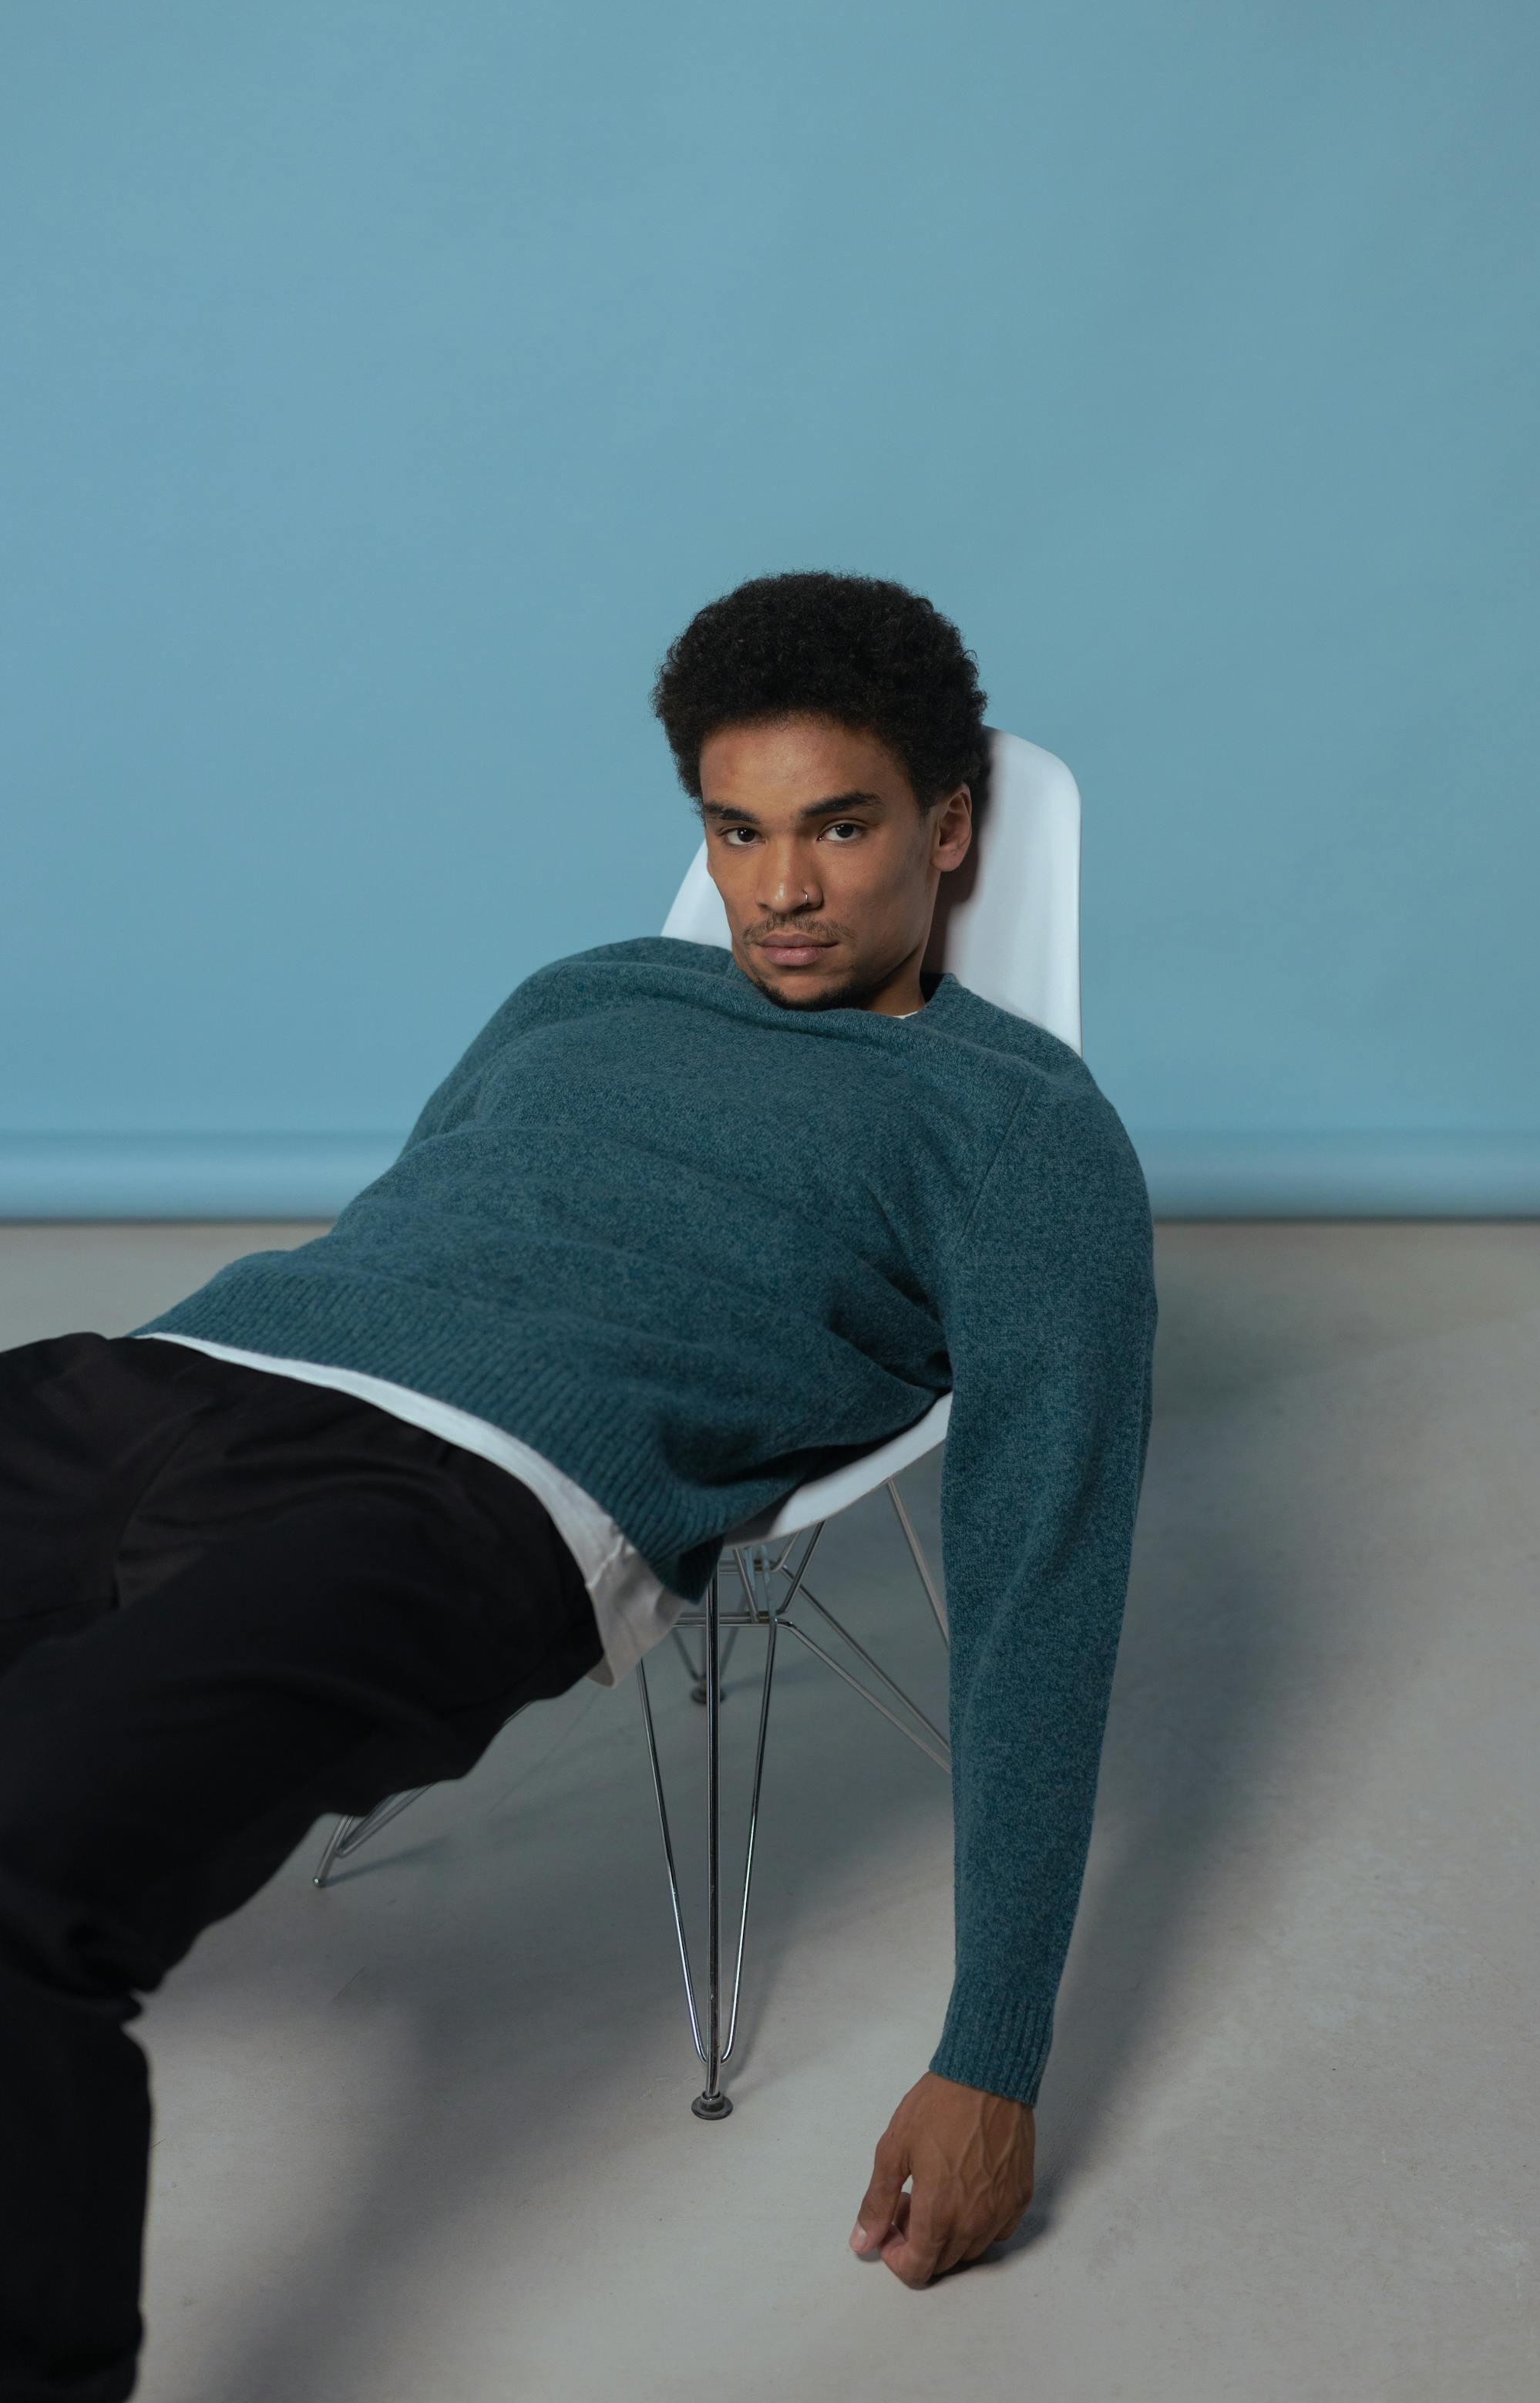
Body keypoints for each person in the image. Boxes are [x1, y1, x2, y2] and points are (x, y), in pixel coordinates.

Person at [0, 570, 1156, 2398]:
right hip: (155, 1380)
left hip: (460, 1504)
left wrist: (992, 2058)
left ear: (949, 827)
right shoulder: (586, 990)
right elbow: (416, 1224)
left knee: (30, 1855)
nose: (778, 888)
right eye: (737, 828)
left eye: (841, 828)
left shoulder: (1020, 1129)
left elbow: (1046, 1573)